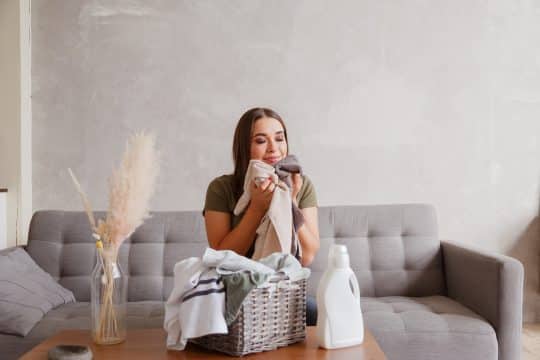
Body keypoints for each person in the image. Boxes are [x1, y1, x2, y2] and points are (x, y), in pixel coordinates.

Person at [203, 107, 320, 325]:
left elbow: (308, 255)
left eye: (279, 138)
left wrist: (291, 202)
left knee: (310, 310)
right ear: (244, 148)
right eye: (260, 141)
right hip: (235, 288)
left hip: (282, 289)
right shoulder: (222, 188)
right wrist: (256, 209)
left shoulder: (301, 184)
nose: (274, 149)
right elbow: (221, 255)